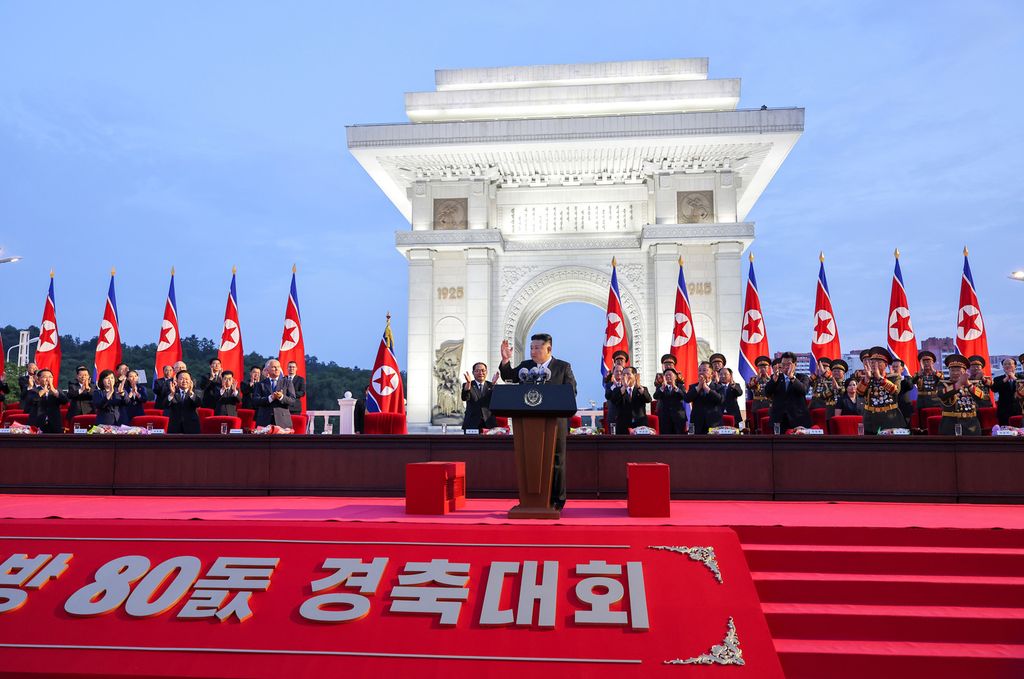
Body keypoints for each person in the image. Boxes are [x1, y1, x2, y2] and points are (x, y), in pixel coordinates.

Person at [498, 334, 577, 510]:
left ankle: (556, 500)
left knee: (557, 460)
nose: (533, 351)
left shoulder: (563, 367)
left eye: (537, 348)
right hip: (528, 423)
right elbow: (509, 376)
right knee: (530, 459)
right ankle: (531, 499)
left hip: (555, 422)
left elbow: (571, 392)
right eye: (531, 348)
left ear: (549, 349)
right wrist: (505, 360)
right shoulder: (526, 367)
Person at [857, 347, 908, 434]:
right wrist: (866, 379)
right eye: (872, 362)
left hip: (889, 417)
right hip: (870, 418)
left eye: (878, 362)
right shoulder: (867, 378)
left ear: (885, 364)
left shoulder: (894, 377)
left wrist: (880, 378)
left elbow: (896, 391)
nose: (874, 365)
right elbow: (859, 393)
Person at [939, 354, 988, 436]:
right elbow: (941, 394)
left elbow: (982, 397)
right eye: (952, 370)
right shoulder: (943, 384)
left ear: (964, 372)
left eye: (958, 370)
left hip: (971, 425)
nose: (955, 373)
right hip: (950, 424)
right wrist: (959, 384)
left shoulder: (973, 384)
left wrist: (968, 384)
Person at [765, 351, 811, 431]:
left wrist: (792, 378)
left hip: (798, 419)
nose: (785, 367)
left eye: (788, 364)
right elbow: (767, 393)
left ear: (795, 365)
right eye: (783, 364)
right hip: (779, 419)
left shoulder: (803, 377)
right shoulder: (775, 377)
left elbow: (804, 390)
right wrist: (774, 380)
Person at [607, 367, 651, 434]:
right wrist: (624, 387)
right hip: (623, 426)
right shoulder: (617, 390)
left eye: (628, 374)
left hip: (640, 425)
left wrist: (639, 387)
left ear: (635, 376)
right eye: (623, 374)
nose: (625, 376)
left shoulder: (642, 389)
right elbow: (614, 401)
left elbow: (648, 399)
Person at [254, 359, 297, 428]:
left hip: (282, 420)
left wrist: (281, 397)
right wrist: (270, 398)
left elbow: (292, 400)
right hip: (264, 420)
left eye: (278, 367)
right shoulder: (260, 384)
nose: (277, 369)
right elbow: (256, 401)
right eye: (274, 367)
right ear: (267, 369)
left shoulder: (287, 382)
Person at [685, 362, 725, 434]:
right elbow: (687, 399)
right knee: (692, 440)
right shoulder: (693, 387)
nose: (701, 372)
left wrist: (707, 388)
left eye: (704, 370)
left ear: (712, 373)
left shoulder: (719, 387)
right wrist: (699, 387)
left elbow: (720, 400)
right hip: (695, 422)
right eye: (699, 370)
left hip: (714, 423)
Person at [23, 368, 68, 433]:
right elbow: (30, 402)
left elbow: (65, 401)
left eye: (50, 377)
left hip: (54, 423)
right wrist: (42, 392)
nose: (48, 379)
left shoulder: (57, 391)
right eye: (44, 377)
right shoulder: (33, 390)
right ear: (38, 379)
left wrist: (54, 391)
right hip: (37, 423)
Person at [460, 362, 495, 431]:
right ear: (473, 373)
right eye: (477, 371)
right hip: (471, 423)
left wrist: (493, 386)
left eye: (483, 370)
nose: (480, 373)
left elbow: (495, 402)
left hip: (489, 423)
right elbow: (464, 398)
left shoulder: (491, 385)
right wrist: (468, 383)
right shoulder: (468, 385)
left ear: (486, 372)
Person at [166, 369, 201, 434]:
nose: (184, 381)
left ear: (191, 381)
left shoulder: (196, 392)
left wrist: (191, 393)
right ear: (176, 381)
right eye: (181, 379)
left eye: (186, 379)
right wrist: (172, 394)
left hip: (192, 426)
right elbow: (165, 405)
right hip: (175, 426)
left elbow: (198, 403)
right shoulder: (171, 392)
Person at [654, 368, 687, 434]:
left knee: (679, 437)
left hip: (678, 417)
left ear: (675, 377)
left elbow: (685, 397)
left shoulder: (680, 386)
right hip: (664, 417)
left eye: (670, 375)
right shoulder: (660, 387)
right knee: (666, 437)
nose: (668, 376)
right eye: (666, 375)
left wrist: (676, 388)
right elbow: (655, 396)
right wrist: (662, 388)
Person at [992, 358, 1023, 425]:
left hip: (1019, 409)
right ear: (1003, 367)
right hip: (1003, 411)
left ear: (1015, 366)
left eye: (1009, 364)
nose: (1007, 366)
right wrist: (1005, 379)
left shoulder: (1021, 377)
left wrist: (1014, 378)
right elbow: (994, 389)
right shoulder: (997, 379)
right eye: (1005, 364)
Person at [747, 356, 773, 427]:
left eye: (765, 367)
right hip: (757, 406)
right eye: (760, 367)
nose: (762, 369)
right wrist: (757, 379)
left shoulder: (772, 378)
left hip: (768, 405)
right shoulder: (753, 379)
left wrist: (768, 378)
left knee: (768, 426)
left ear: (768, 368)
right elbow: (750, 387)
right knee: (757, 425)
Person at [889, 359, 915, 425]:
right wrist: (892, 378)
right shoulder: (887, 380)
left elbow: (910, 386)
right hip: (890, 409)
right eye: (893, 367)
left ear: (902, 369)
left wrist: (898, 378)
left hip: (904, 409)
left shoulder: (907, 378)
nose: (894, 369)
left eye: (896, 366)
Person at [603, 364, 625, 432]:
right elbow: (607, 396)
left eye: (621, 371)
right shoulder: (609, 384)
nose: (619, 373)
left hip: (625, 417)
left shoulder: (626, 384)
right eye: (617, 371)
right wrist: (614, 385)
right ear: (613, 373)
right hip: (613, 416)